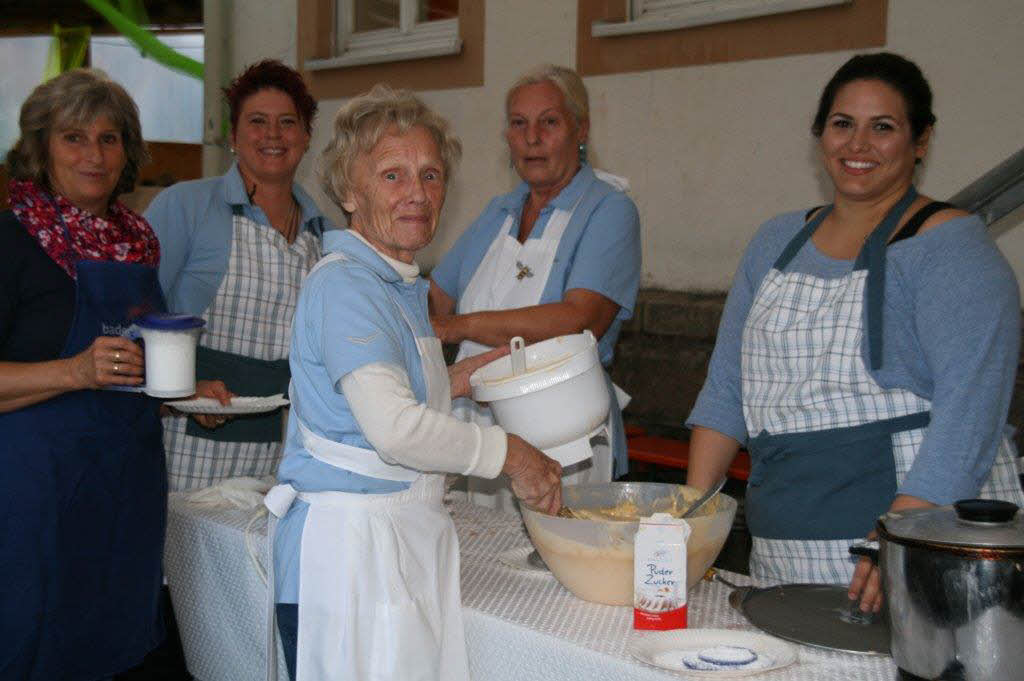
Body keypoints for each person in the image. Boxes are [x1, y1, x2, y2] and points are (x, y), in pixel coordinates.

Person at [685, 52, 1024, 611]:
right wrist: (689, 518)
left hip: (912, 548)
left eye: (883, 127)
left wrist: (903, 538)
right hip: (784, 545)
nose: (858, 145)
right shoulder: (774, 242)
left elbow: (971, 412)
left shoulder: (951, 249)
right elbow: (727, 389)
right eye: (843, 124)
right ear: (820, 135)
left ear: (921, 141)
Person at [264, 85, 562, 681]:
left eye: (430, 175)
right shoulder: (349, 285)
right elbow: (395, 429)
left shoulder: (392, 281)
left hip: (387, 547)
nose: (417, 194)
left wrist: (450, 381)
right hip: (348, 561)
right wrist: (510, 455)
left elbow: (371, 398)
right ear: (350, 192)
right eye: (392, 176)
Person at [0, 69, 167, 680]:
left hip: (124, 494)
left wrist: (181, 387)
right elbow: (87, 369)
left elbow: (137, 360)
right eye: (74, 138)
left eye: (109, 138)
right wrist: (73, 370)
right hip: (33, 498)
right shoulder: (11, 241)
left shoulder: (139, 241)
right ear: (41, 148)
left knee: (112, 649)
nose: (94, 155)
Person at [429, 64, 641, 509]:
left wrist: (458, 326)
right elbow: (434, 298)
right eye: (519, 124)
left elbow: (578, 319)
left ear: (580, 129)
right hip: (480, 432)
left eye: (549, 121)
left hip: (562, 435)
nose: (532, 138)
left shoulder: (609, 211)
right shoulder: (499, 211)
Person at [145, 60, 329, 491]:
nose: (273, 135)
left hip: (280, 454)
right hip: (184, 447)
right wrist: (181, 391)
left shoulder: (325, 232)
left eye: (287, 123)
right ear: (232, 136)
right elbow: (131, 319)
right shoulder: (185, 207)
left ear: (305, 137)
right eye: (257, 122)